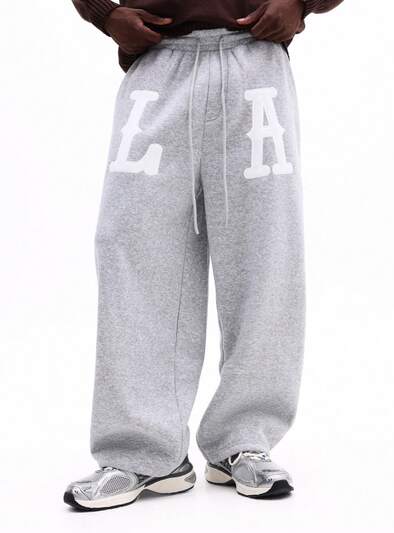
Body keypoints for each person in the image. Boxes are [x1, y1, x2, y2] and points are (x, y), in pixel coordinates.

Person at [64, 0, 343, 510]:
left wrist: (302, 3)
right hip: (157, 61)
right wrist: (103, 14)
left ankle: (244, 439)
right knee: (132, 248)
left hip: (255, 62)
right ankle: (142, 452)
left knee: (265, 252)